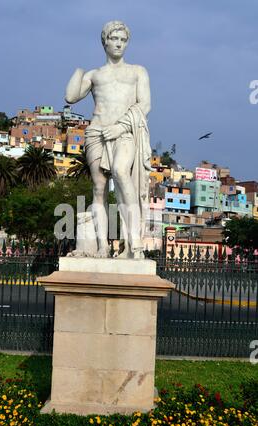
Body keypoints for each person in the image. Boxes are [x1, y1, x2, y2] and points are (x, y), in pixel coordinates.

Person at [65, 20, 151, 258]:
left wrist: (120, 126)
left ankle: (134, 243)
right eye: (114, 39)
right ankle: (102, 246)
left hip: (124, 132)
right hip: (96, 133)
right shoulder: (95, 75)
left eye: (123, 40)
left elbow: (145, 104)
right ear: (105, 41)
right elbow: (70, 97)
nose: (119, 44)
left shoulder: (137, 71)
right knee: (99, 188)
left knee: (122, 173)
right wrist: (80, 71)